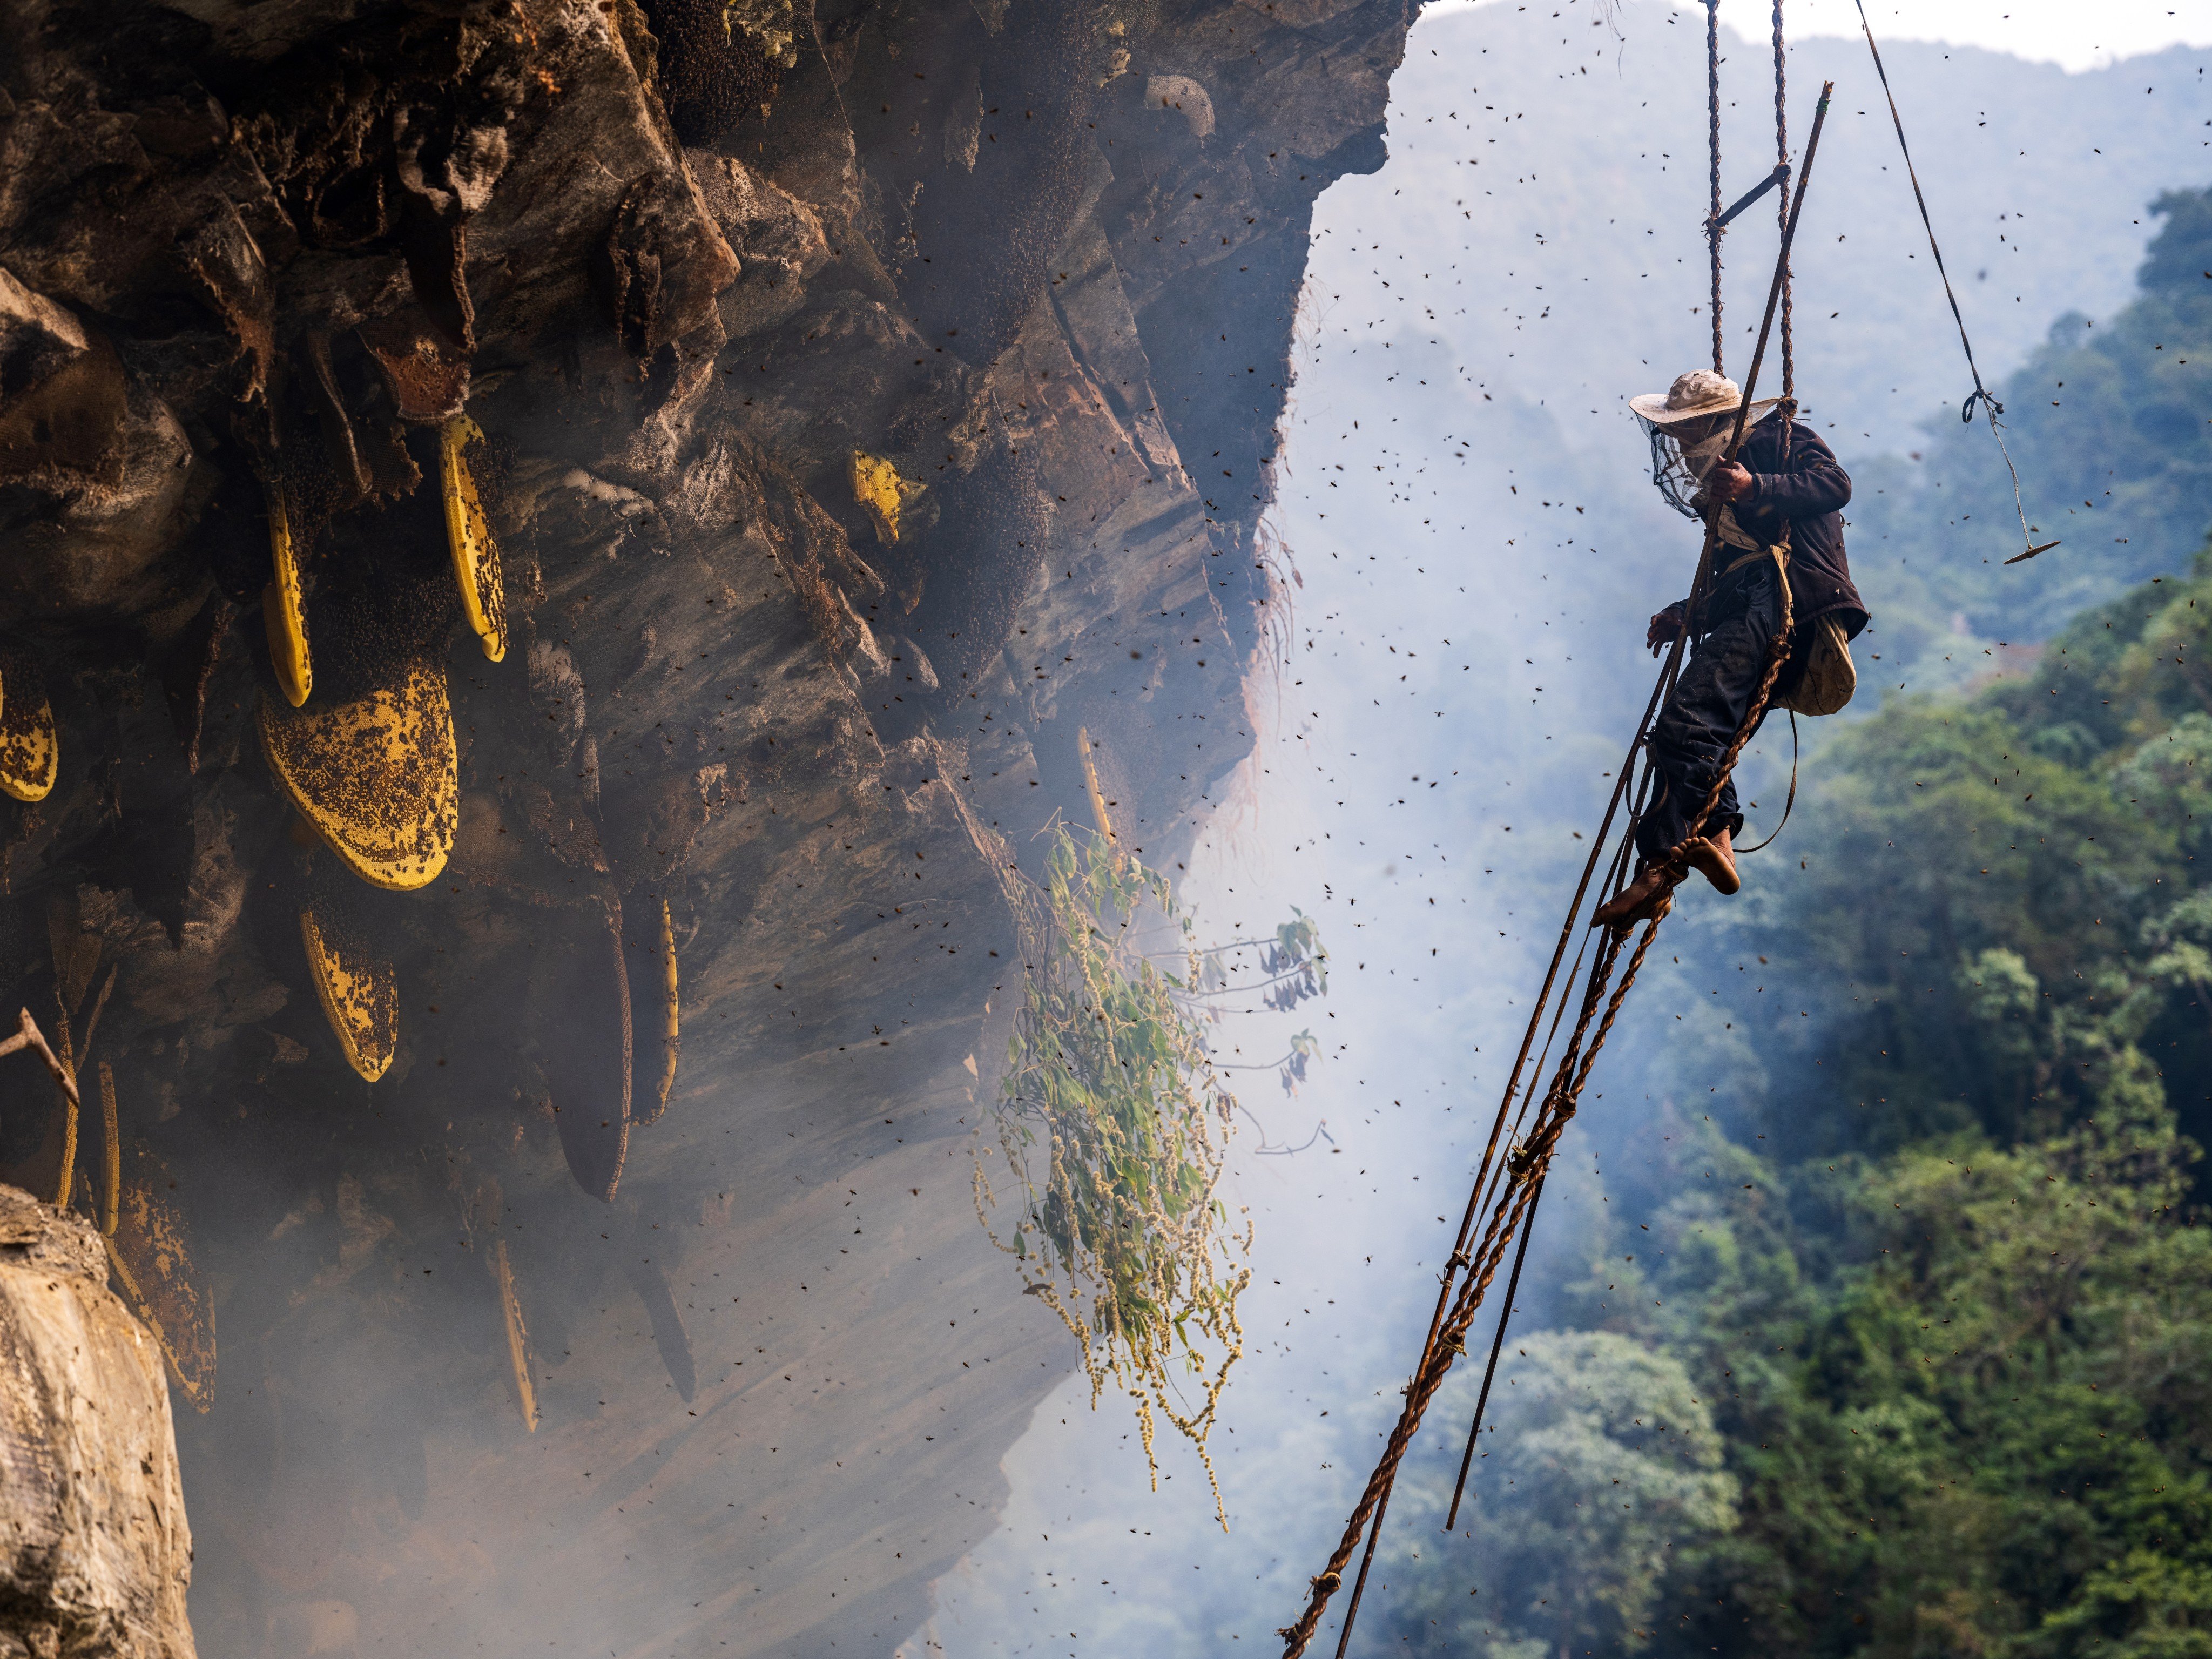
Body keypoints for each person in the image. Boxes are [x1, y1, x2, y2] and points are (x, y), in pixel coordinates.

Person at [1592, 369, 1867, 928]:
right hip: (1753, 602)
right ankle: (1704, 841)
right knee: (1689, 736)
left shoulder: (1775, 442)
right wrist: (1685, 615)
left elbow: (1835, 485)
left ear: (1711, 423)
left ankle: (1672, 858)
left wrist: (1756, 487)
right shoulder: (1716, 492)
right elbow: (1732, 576)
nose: (1678, 443)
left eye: (1685, 429)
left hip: (1788, 599)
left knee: (1688, 722)